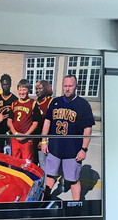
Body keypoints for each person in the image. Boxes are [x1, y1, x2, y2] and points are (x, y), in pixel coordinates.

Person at [39, 74, 94, 202]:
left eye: (70, 86)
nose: (67, 89)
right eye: (65, 86)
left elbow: (88, 129)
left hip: (72, 151)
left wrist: (83, 149)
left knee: (73, 179)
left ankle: (76, 204)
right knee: (51, 175)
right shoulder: (55, 102)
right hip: (54, 148)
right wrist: (43, 142)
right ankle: (46, 198)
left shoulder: (83, 104)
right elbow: (47, 122)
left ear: (76, 87)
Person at [8, 79, 41, 164]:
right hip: (15, 138)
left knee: (27, 163)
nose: (22, 92)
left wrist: (26, 135)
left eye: (24, 90)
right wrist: (15, 133)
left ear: (28, 90)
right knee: (15, 162)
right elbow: (9, 121)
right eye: (20, 90)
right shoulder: (14, 103)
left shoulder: (33, 103)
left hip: (27, 139)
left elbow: (35, 123)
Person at [0, 74, 15, 156]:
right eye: (4, 84)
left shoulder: (14, 99)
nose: (5, 87)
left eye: (7, 84)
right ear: (1, 84)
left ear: (10, 84)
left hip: (10, 131)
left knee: (10, 153)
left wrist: (10, 130)